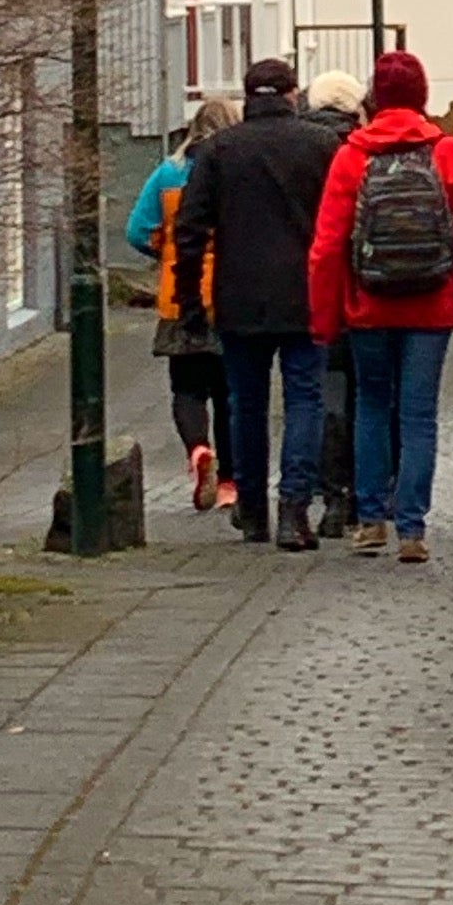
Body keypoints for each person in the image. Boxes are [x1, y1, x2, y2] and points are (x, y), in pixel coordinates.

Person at [309, 50, 453, 562]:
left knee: (371, 405)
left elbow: (326, 246)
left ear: (375, 97)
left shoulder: (352, 155)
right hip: (432, 305)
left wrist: (324, 319)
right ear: (423, 95)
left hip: (367, 303)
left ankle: (370, 521)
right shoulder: (448, 153)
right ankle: (411, 527)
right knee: (418, 415)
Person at [172, 58, 349, 551]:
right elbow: (343, 221)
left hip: (239, 296)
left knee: (245, 404)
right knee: (305, 400)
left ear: (249, 97)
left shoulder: (219, 150)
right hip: (305, 294)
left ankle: (251, 510)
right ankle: (294, 510)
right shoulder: (321, 146)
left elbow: (189, 229)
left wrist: (189, 300)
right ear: (293, 94)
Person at [124, 93, 242, 515]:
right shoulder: (238, 172)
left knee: (187, 388)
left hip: (180, 297)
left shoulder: (168, 173)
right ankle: (230, 483)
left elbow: (137, 230)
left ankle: (197, 449)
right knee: (230, 392)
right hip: (230, 296)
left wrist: (167, 251)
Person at [302, 71, 369, 533]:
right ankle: (370, 495)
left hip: (314, 288)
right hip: (369, 287)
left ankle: (332, 497)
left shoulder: (298, 147)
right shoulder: (365, 150)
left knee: (327, 396)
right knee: (370, 397)